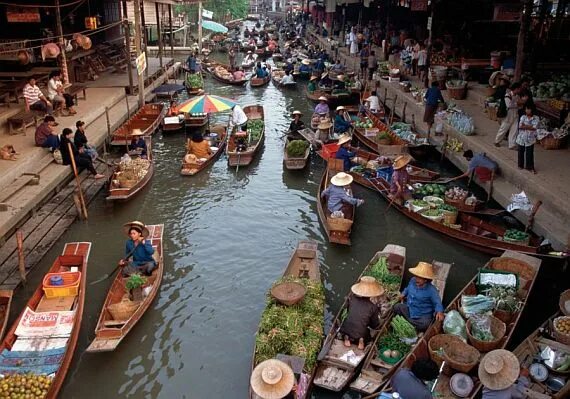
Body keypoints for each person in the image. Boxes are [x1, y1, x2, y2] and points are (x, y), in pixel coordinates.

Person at [394, 262, 444, 332]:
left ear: (426, 280)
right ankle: (410, 322)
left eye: (420, 278)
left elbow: (437, 302)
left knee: (425, 324)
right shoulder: (412, 280)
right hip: (410, 309)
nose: (417, 279)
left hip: (421, 315)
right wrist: (403, 294)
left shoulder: (431, 290)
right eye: (416, 276)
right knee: (397, 307)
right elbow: (407, 288)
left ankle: (408, 322)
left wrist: (439, 311)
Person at [339, 276, 383, 350]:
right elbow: (374, 325)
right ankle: (361, 339)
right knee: (366, 331)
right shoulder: (373, 307)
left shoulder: (352, 299)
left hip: (346, 328)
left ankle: (347, 337)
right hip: (360, 332)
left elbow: (349, 312)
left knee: (349, 323)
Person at [494, 82, 522, 148]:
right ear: (516, 89)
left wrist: (518, 104)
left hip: (515, 114)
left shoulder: (517, 96)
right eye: (519, 89)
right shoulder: (508, 95)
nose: (520, 90)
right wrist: (518, 104)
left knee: (514, 130)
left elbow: (519, 105)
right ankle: (497, 141)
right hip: (508, 115)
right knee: (504, 128)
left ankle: (512, 145)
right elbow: (509, 105)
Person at [516, 104, 539, 174]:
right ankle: (520, 165)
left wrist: (525, 126)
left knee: (529, 153)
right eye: (526, 109)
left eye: (528, 109)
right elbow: (520, 126)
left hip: (530, 139)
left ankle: (529, 167)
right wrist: (529, 126)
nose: (527, 111)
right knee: (520, 152)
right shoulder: (523, 117)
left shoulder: (536, 118)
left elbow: (534, 127)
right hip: (521, 138)